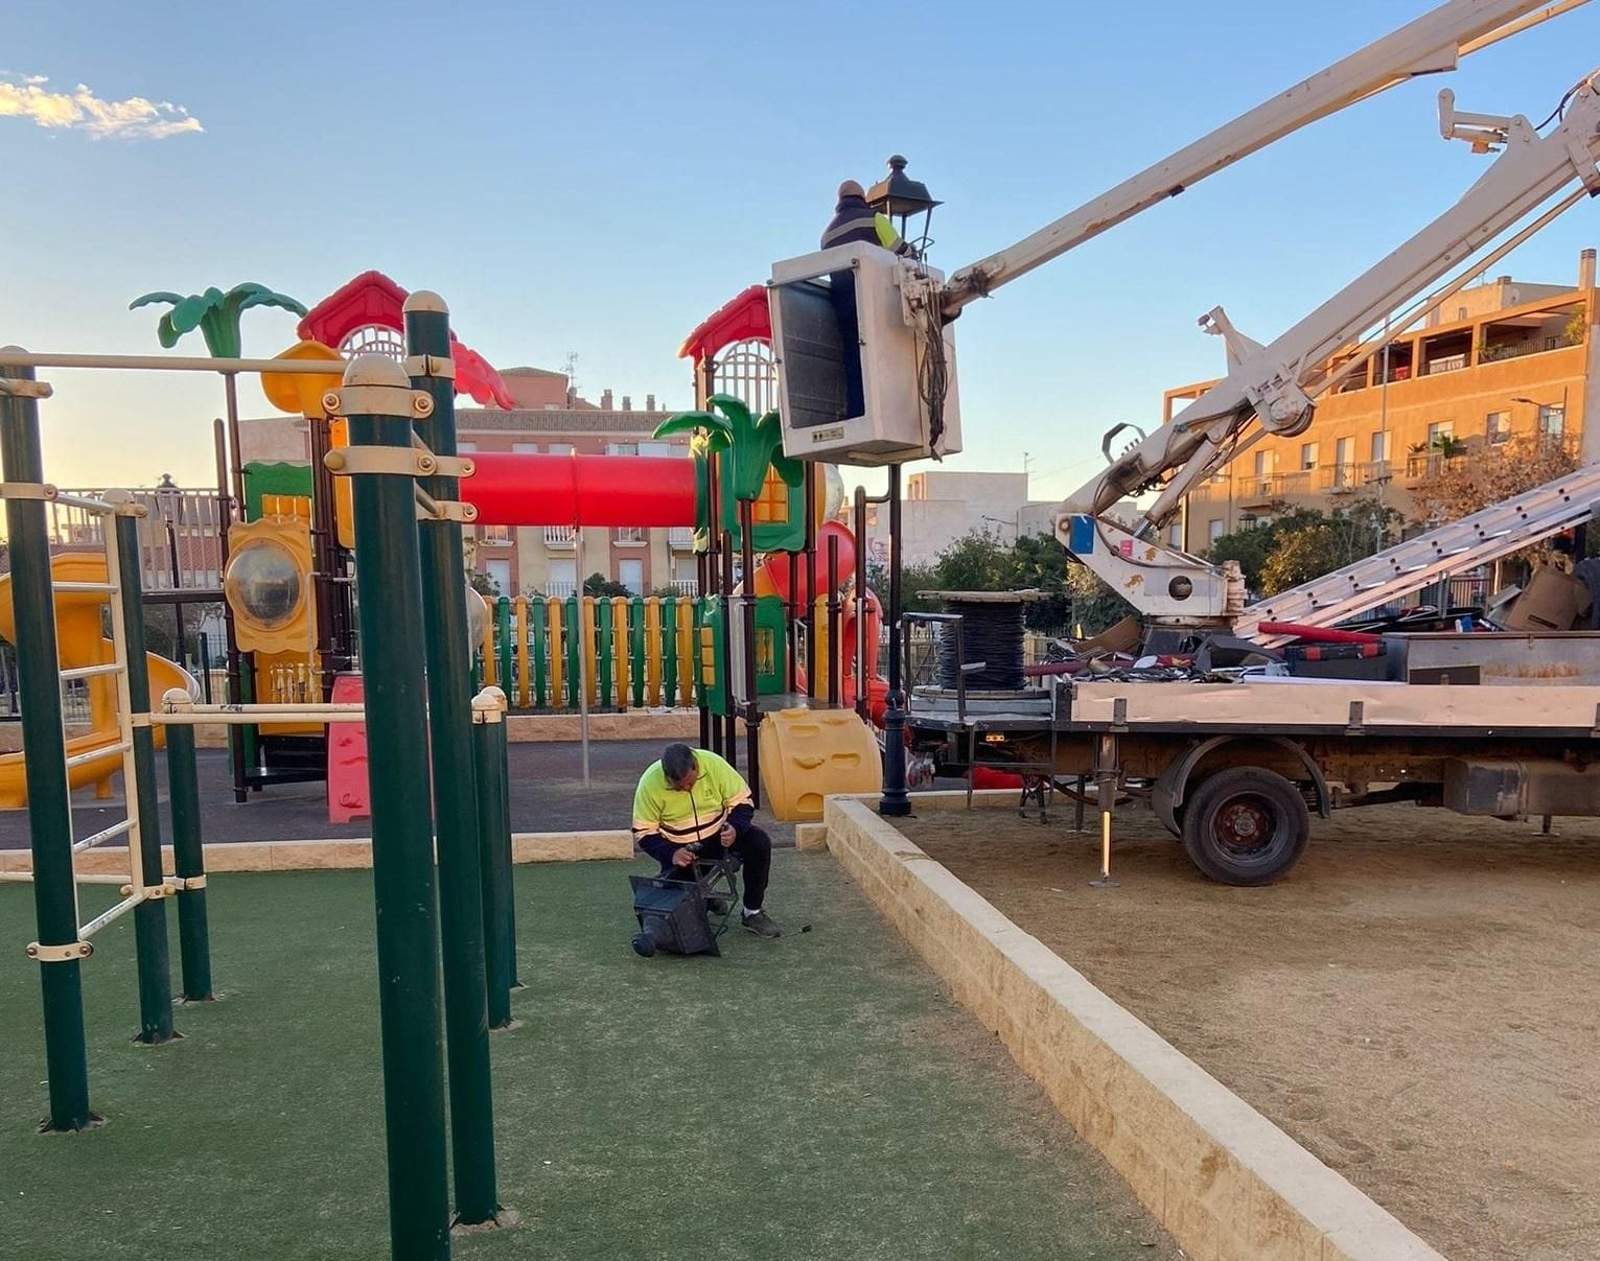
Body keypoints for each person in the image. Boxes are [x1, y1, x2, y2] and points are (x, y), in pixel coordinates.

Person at [631, 743, 781, 939]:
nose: (686, 788)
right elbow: (643, 831)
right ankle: (707, 898)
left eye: (690, 783)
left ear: (696, 766)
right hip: (681, 849)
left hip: (719, 836)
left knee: (758, 842)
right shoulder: (649, 783)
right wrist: (671, 853)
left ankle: (752, 912)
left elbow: (744, 802)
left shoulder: (714, 764)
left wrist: (734, 827)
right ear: (666, 776)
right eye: (678, 787)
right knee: (679, 915)